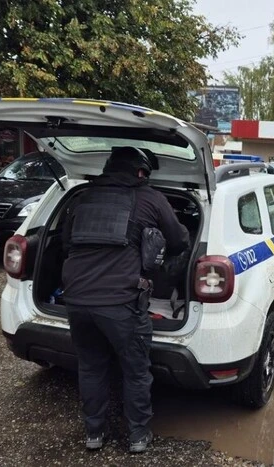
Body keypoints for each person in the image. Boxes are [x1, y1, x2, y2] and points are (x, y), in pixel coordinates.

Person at [61, 146, 189, 453]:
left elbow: (65, 241)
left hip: (76, 300)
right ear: (141, 172)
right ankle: (137, 436)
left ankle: (94, 434)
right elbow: (180, 240)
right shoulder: (151, 198)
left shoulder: (81, 197)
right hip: (121, 303)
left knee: (91, 367)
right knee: (135, 371)